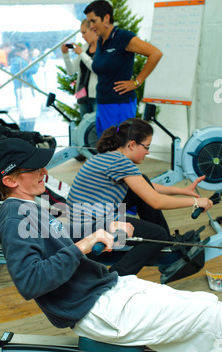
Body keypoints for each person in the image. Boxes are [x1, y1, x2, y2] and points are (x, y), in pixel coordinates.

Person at [0, 138, 222, 352]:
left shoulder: (28, 207)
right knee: (208, 315)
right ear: (10, 180)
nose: (44, 170)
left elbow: (62, 232)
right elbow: (30, 282)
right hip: (95, 309)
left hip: (106, 289)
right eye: (35, 168)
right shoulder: (14, 219)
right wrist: (83, 246)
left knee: (206, 302)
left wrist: (106, 227)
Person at [66, 118, 213, 277]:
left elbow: (143, 188)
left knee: (143, 181)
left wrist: (182, 191)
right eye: (146, 147)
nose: (148, 152)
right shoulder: (120, 162)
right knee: (157, 235)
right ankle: (113, 278)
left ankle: (166, 243)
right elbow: (156, 202)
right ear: (132, 144)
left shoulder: (110, 157)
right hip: (88, 228)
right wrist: (197, 201)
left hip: (83, 221)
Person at [83, 1, 163, 137]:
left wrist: (137, 82)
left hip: (119, 105)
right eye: (89, 22)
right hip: (103, 103)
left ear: (107, 18)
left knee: (119, 148)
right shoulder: (101, 42)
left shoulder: (123, 37)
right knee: (105, 149)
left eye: (93, 21)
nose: (91, 26)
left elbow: (155, 53)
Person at [61, 19, 98, 118]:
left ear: (94, 31)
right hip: (82, 94)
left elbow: (96, 69)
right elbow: (71, 71)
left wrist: (81, 53)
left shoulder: (102, 49)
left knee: (97, 126)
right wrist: (66, 55)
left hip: (97, 95)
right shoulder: (85, 47)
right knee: (85, 127)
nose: (83, 36)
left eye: (84, 32)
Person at [9, 43, 40, 132]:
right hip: (25, 92)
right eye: (25, 53)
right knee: (28, 118)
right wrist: (35, 57)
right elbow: (33, 69)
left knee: (26, 117)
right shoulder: (19, 62)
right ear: (19, 53)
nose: (27, 55)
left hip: (23, 92)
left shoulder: (18, 62)